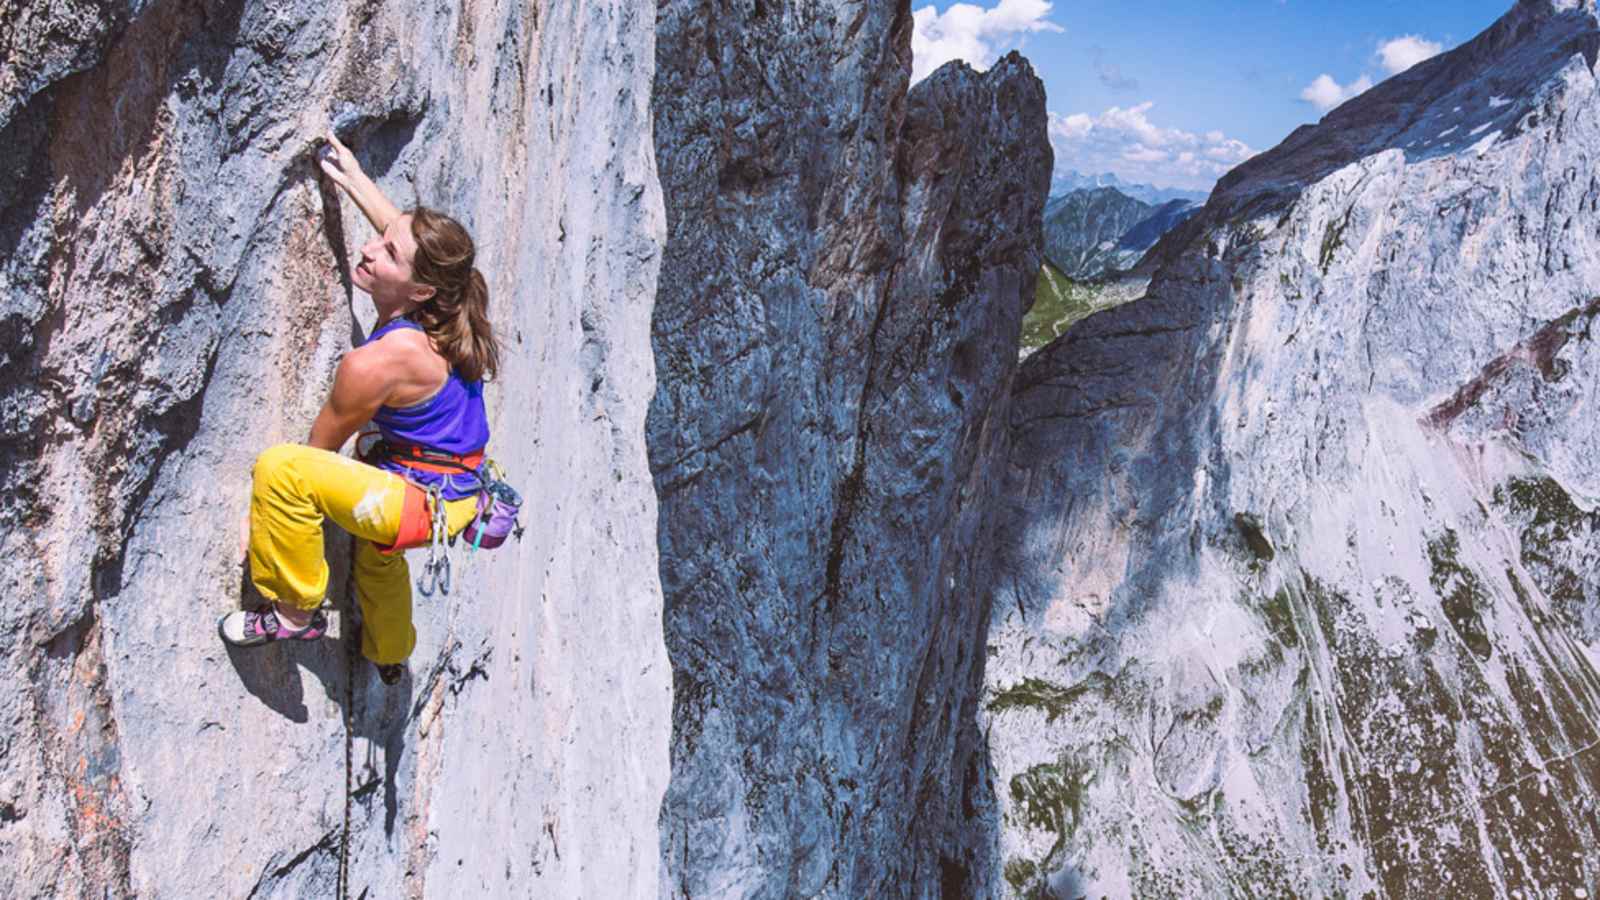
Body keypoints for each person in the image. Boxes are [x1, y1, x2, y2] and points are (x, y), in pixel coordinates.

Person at [219, 132, 501, 684]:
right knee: (378, 557)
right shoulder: (445, 296)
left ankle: (294, 613)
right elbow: (402, 234)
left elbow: (317, 455)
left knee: (282, 471)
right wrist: (350, 175)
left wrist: (293, 532)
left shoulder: (377, 364)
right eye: (381, 240)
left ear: (419, 290)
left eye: (387, 254)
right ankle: (391, 653)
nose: (371, 250)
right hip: (460, 487)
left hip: (423, 500)